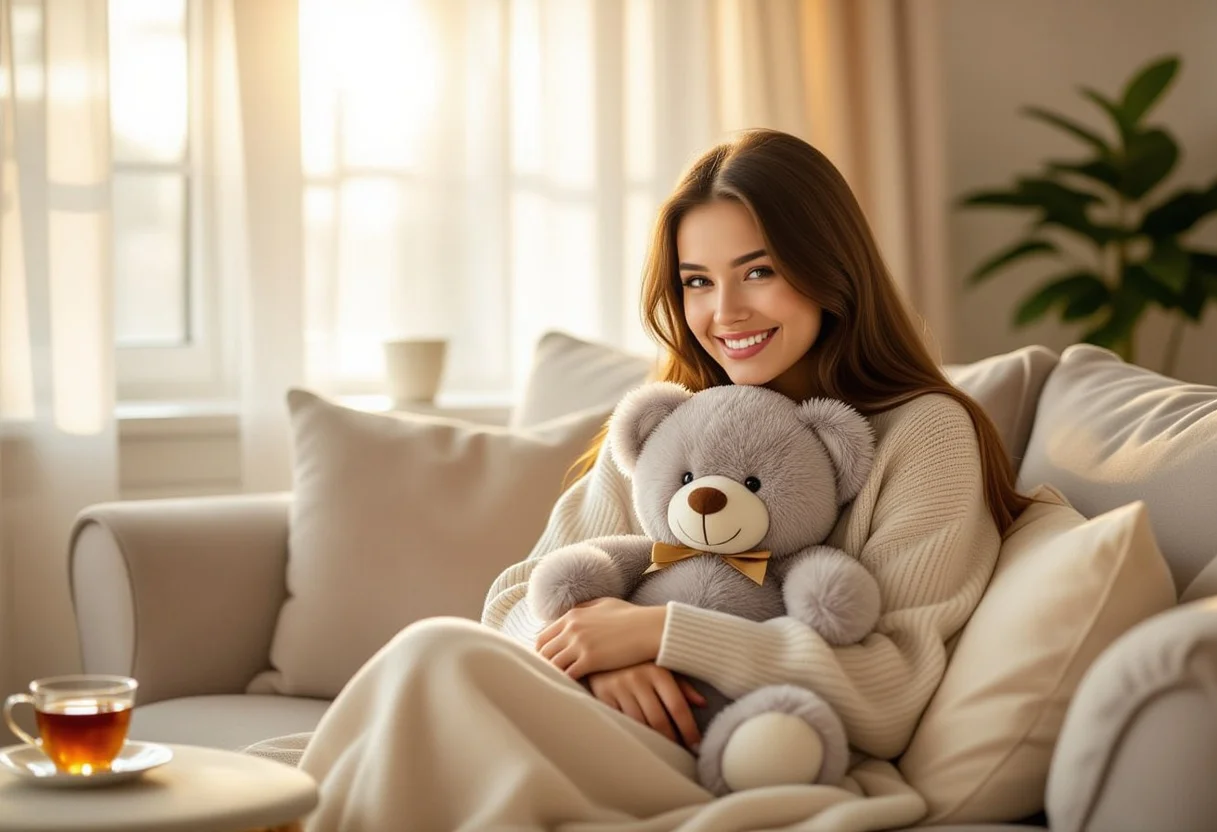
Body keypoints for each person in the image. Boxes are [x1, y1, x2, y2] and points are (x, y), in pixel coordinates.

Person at [294, 129, 1028, 832]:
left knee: (431, 662)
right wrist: (595, 665)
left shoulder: (921, 432)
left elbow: (891, 688)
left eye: (760, 271)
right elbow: (516, 600)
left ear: (831, 269)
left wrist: (663, 633)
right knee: (434, 660)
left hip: (747, 754)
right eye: (697, 282)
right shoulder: (672, 427)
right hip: (607, 720)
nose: (725, 311)